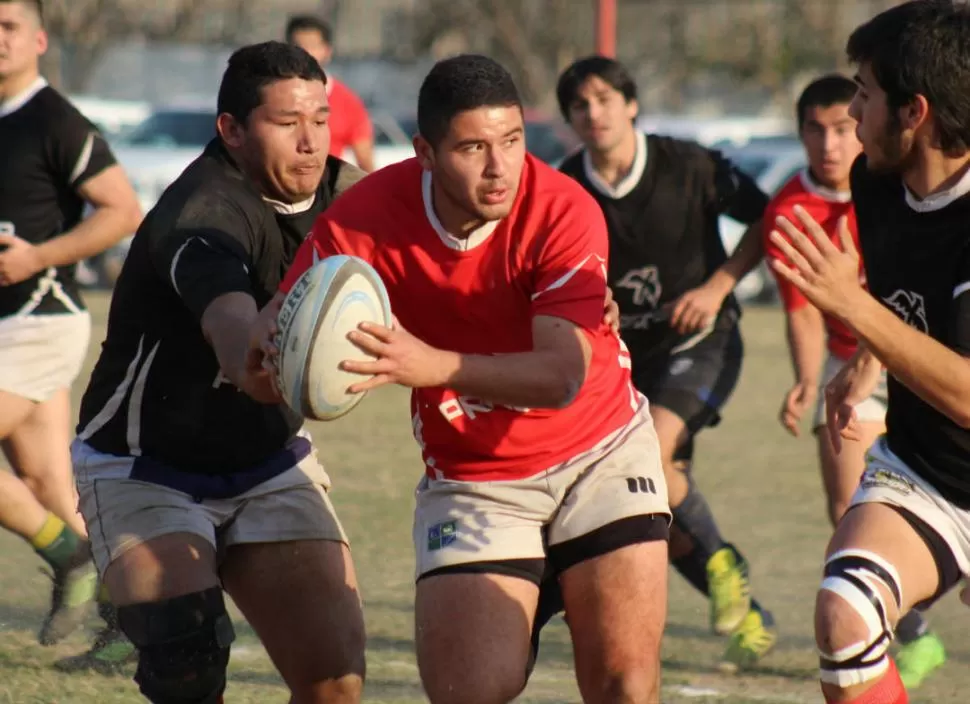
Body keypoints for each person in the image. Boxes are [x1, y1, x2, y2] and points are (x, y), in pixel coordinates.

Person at [260, 53, 672, 704]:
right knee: (466, 691)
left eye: (511, 140)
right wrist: (271, 350)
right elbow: (281, 336)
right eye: (473, 147)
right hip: (475, 480)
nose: (499, 166)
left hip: (600, 455)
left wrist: (430, 365)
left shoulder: (563, 207)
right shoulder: (365, 218)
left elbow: (563, 376)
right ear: (425, 151)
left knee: (623, 683)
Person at [65, 41, 367, 703]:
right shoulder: (202, 215)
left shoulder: (348, 196)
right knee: (188, 670)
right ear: (231, 129)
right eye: (288, 124)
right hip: (144, 467)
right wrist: (288, 349)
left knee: (334, 684)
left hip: (268, 461)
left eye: (320, 118)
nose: (311, 140)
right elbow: (238, 340)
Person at [768, 2, 970, 703]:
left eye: (863, 91)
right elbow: (907, 300)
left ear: (914, 111)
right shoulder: (877, 182)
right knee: (845, 612)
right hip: (927, 471)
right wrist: (865, 361)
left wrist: (850, 309)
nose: (853, 112)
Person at [549, 54, 776, 672]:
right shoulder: (567, 186)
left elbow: (767, 218)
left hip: (702, 342)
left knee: (652, 451)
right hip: (625, 360)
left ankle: (729, 569)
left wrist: (718, 287)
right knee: (651, 500)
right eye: (579, 105)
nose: (592, 113)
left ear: (630, 103)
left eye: (603, 99)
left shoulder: (690, 164)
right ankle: (753, 617)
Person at [0, 0, 141, 646]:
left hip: (39, 321)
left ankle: (68, 557)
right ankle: (131, 623)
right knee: (45, 482)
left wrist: (38, 257)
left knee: (47, 498)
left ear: (38, 38)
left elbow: (122, 210)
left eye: (8, 28)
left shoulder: (52, 118)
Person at [285, 14, 375, 172]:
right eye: (297, 46)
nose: (304, 53)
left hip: (325, 192)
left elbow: (365, 162)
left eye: (312, 46)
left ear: (327, 51)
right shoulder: (268, 96)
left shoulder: (348, 102)